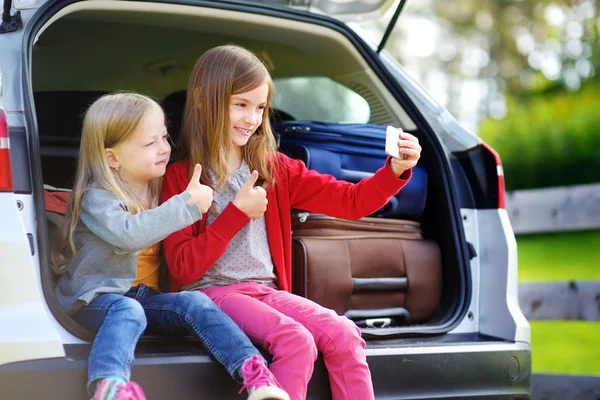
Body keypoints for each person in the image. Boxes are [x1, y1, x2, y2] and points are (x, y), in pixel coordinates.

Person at [161, 45, 422, 400]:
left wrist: (395, 171)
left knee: (344, 333)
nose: (251, 118)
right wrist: (237, 213)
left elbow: (351, 201)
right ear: (204, 100)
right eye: (240, 104)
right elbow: (182, 268)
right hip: (210, 295)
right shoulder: (180, 177)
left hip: (267, 292)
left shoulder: (275, 169)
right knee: (295, 339)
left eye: (260, 107)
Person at [52, 92, 290, 400]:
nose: (164, 148)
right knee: (127, 310)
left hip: (144, 298)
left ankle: (256, 376)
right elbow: (130, 234)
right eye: (150, 143)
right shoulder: (97, 197)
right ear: (112, 157)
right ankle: (110, 386)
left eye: (164, 137)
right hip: (93, 301)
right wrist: (188, 206)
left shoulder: (159, 189)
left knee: (196, 302)